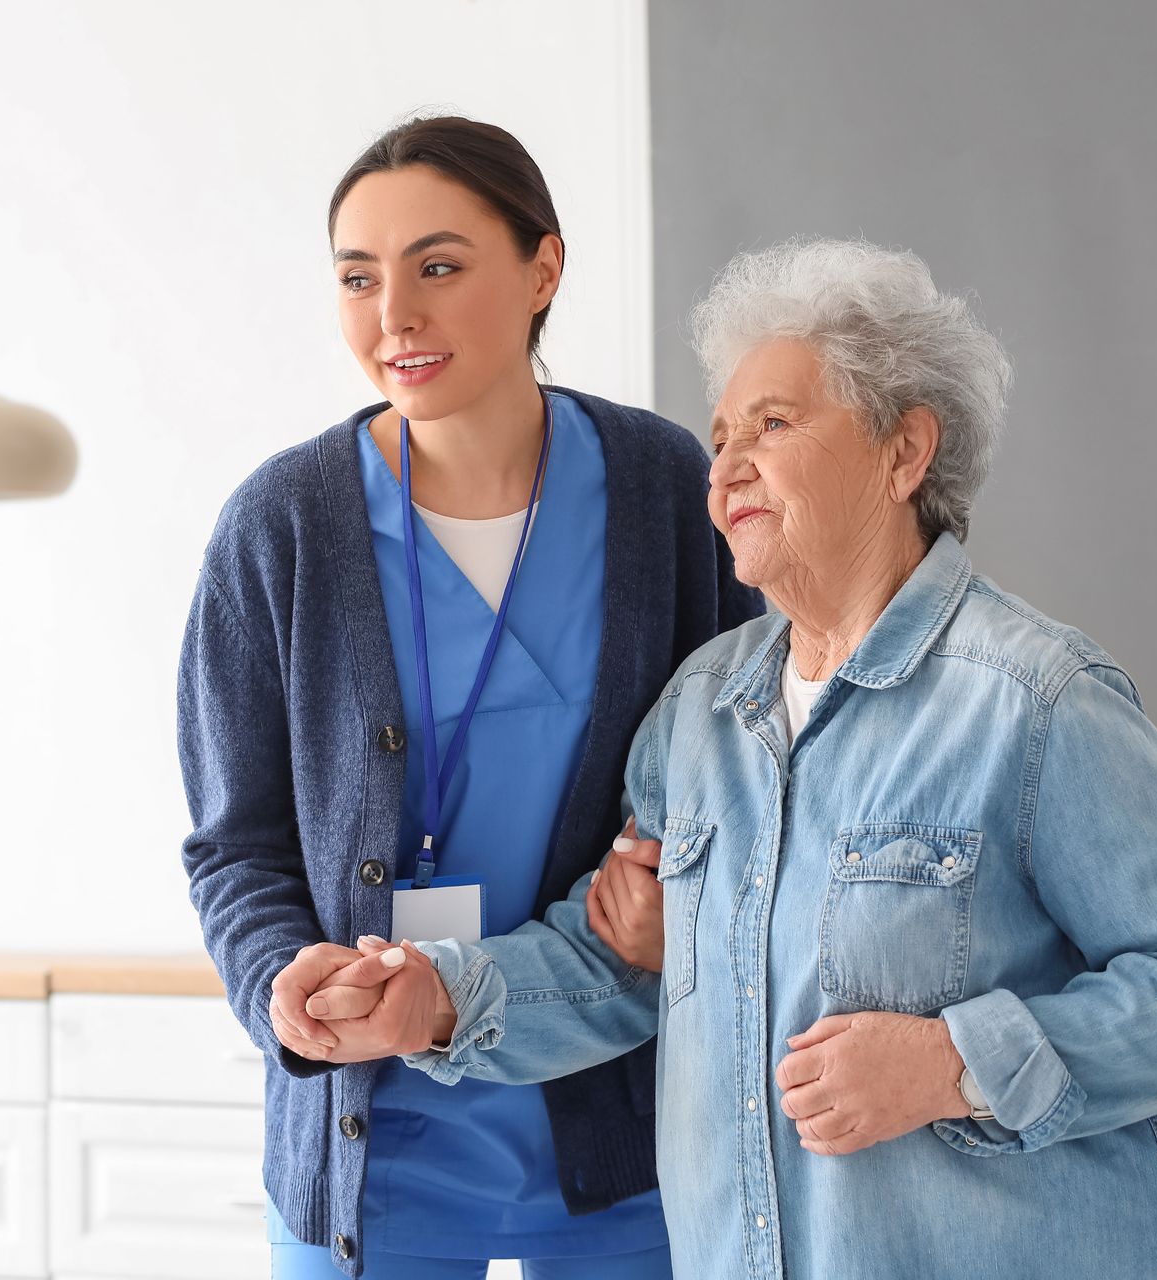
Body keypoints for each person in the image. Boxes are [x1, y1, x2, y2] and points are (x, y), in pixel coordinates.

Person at [290, 237, 1157, 1279]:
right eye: (720, 437)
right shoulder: (701, 712)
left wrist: (952, 1065)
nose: (723, 468)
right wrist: (433, 998)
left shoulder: (1035, 701)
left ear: (905, 453)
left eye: (773, 424)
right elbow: (618, 967)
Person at [176, 116, 761, 1278]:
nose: (395, 313)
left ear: (543, 268)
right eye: (359, 276)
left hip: (625, 1133)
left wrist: (683, 892)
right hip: (370, 1142)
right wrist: (280, 986)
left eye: (438, 266)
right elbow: (234, 846)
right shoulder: (281, 526)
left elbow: (756, 772)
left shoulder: (667, 493)